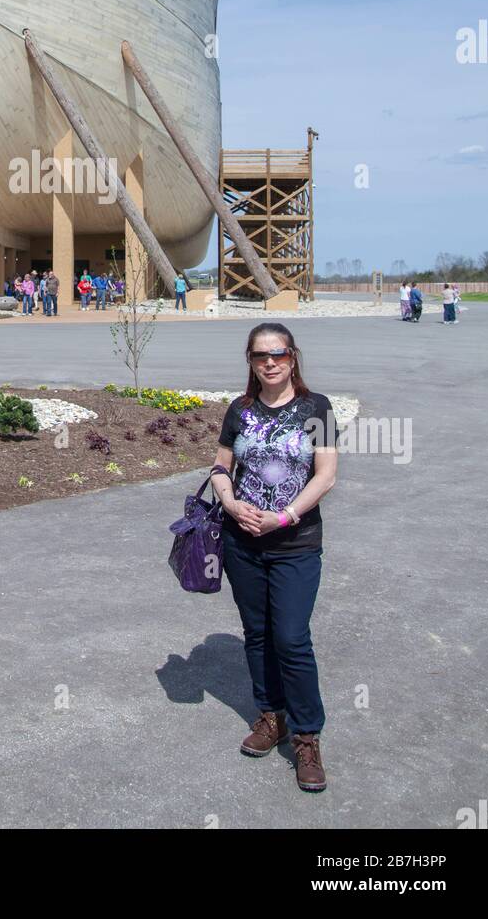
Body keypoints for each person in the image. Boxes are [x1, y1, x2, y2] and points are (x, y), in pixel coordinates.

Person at [209, 323, 337, 793]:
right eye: (261, 355)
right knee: (258, 634)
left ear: (293, 357)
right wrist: (228, 502)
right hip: (242, 541)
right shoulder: (239, 411)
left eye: (279, 354)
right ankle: (271, 717)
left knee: (292, 638)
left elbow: (325, 475)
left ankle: (307, 736)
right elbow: (221, 465)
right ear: (250, 360)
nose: (270, 362)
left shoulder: (315, 407)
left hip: (294, 543)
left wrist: (283, 517)